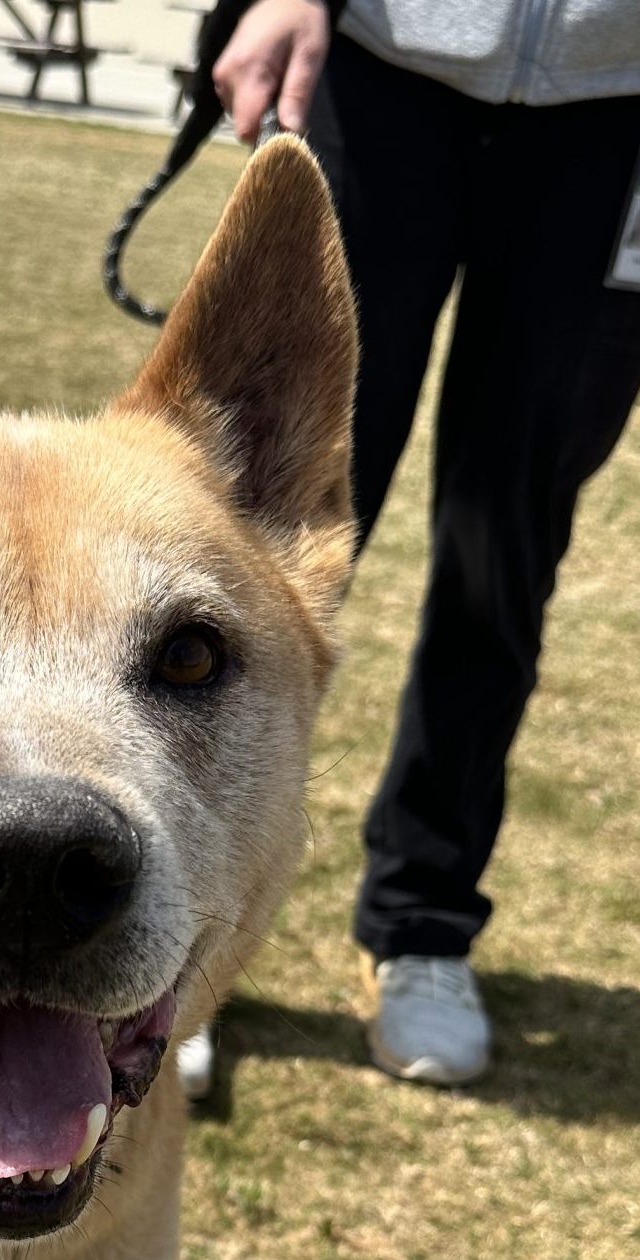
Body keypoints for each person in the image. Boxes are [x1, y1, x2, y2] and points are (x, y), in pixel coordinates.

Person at [175, 0, 640, 1097]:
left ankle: (424, 924)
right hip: (381, 70)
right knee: (236, 539)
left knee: (503, 559)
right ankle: (171, 943)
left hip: (613, 117)